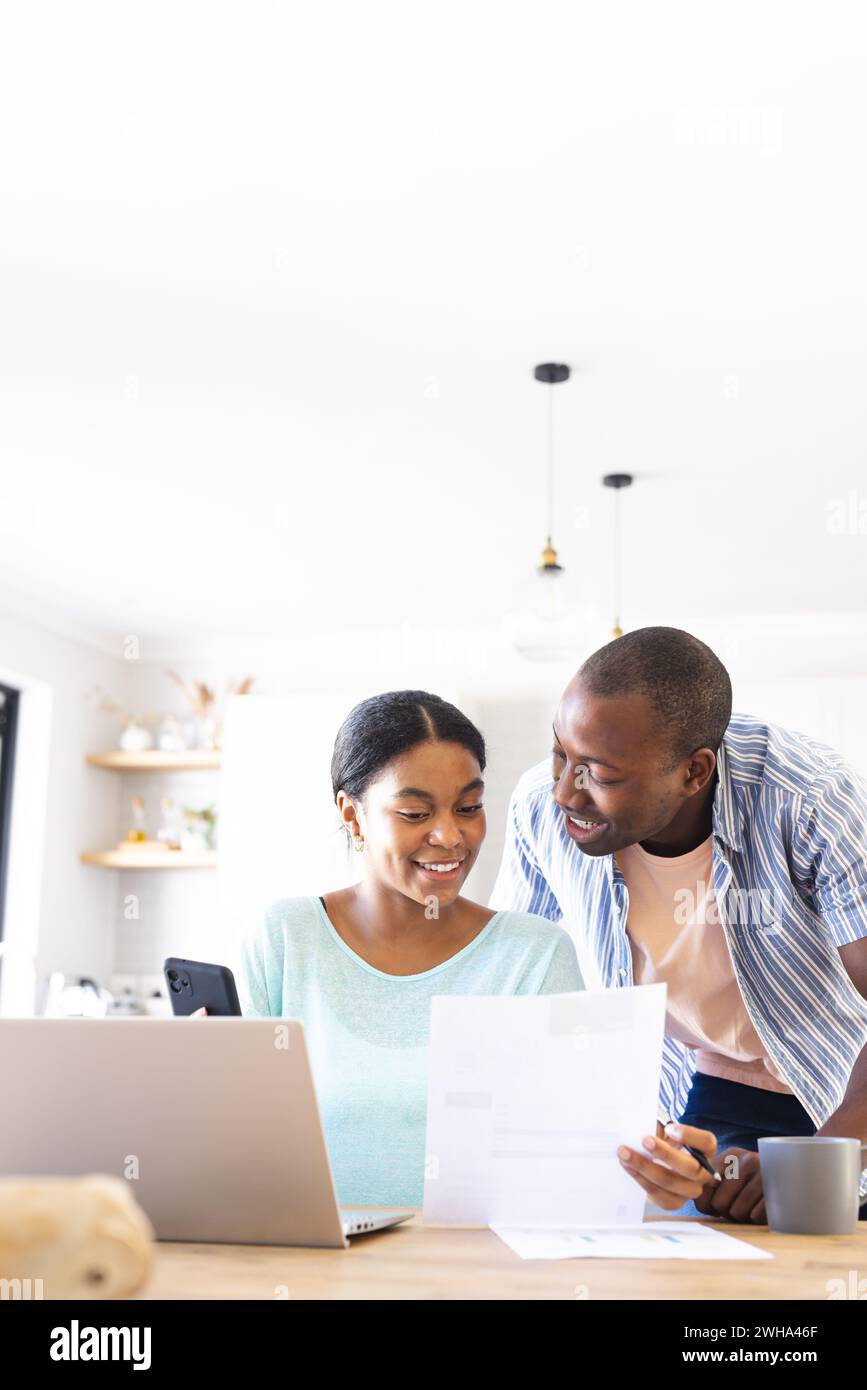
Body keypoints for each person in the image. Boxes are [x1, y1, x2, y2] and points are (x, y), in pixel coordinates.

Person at [490, 626, 867, 1222]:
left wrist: (828, 1156)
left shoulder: (809, 797)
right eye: (560, 752)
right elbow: (509, 991)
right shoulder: (538, 804)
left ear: (694, 773)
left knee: (825, 1257)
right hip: (703, 1084)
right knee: (701, 1264)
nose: (565, 791)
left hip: (844, 1081)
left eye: (600, 774)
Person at [233, 690, 583, 1209]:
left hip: (480, 1273)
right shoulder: (284, 938)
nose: (449, 835)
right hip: (313, 1270)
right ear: (353, 817)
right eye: (416, 813)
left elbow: (569, 1154)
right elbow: (244, 1145)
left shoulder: (534, 957)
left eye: (469, 807)